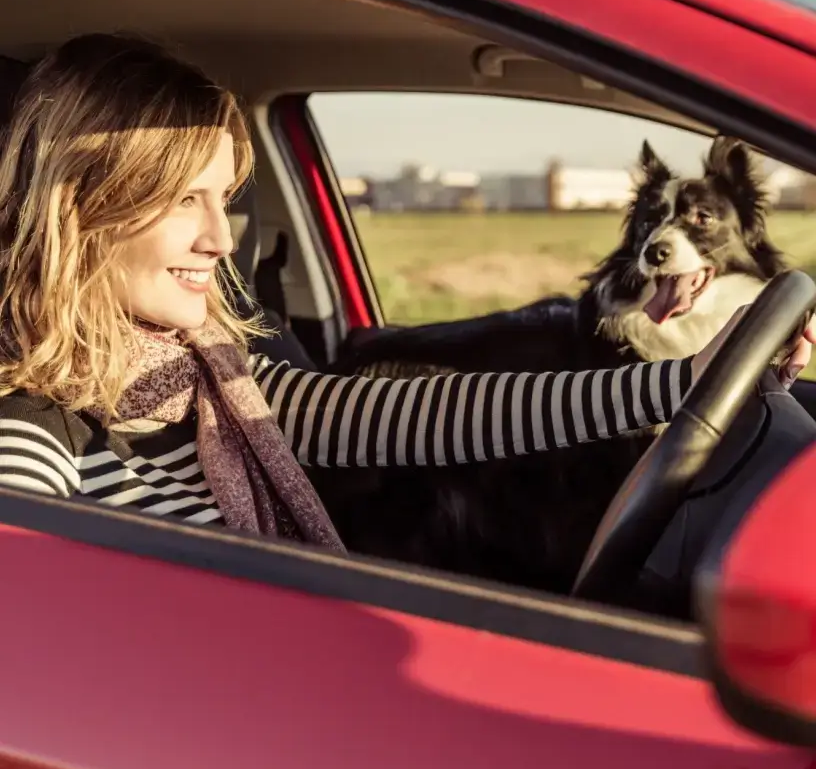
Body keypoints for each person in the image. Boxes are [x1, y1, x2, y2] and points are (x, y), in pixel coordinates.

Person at [0, 33, 809, 556]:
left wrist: (686, 382)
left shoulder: (205, 376)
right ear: (83, 209)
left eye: (225, 199)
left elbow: (440, 417)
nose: (222, 239)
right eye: (184, 201)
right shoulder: (28, 422)